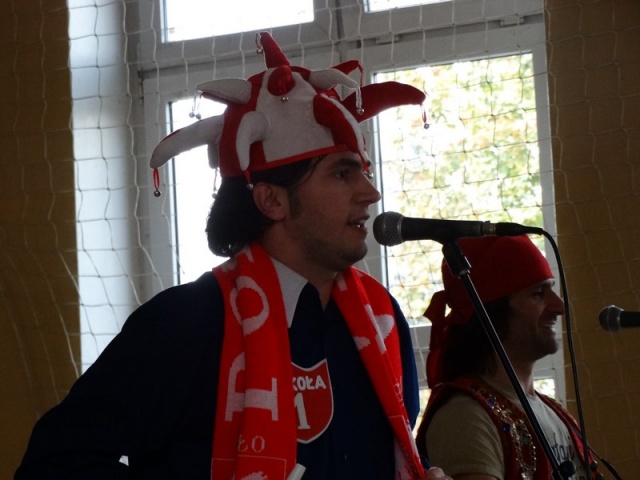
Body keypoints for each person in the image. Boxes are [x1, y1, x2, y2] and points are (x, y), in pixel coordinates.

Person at [16, 32, 452, 480]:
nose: (370, 193)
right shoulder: (185, 323)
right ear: (272, 201)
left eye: (363, 171)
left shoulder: (383, 321)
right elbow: (55, 464)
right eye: (342, 174)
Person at [415, 235, 601, 479]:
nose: (559, 306)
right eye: (538, 293)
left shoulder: (554, 411)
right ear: (493, 312)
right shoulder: (464, 415)